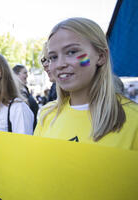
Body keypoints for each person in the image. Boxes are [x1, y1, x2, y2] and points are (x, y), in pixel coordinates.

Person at [34, 17, 138, 150]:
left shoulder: (134, 120)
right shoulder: (46, 115)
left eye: (72, 52)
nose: (60, 64)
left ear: (101, 57)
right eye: (53, 57)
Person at [13, 64, 38, 130]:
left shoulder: (25, 90)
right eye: (25, 73)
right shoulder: (15, 93)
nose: (27, 75)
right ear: (16, 75)